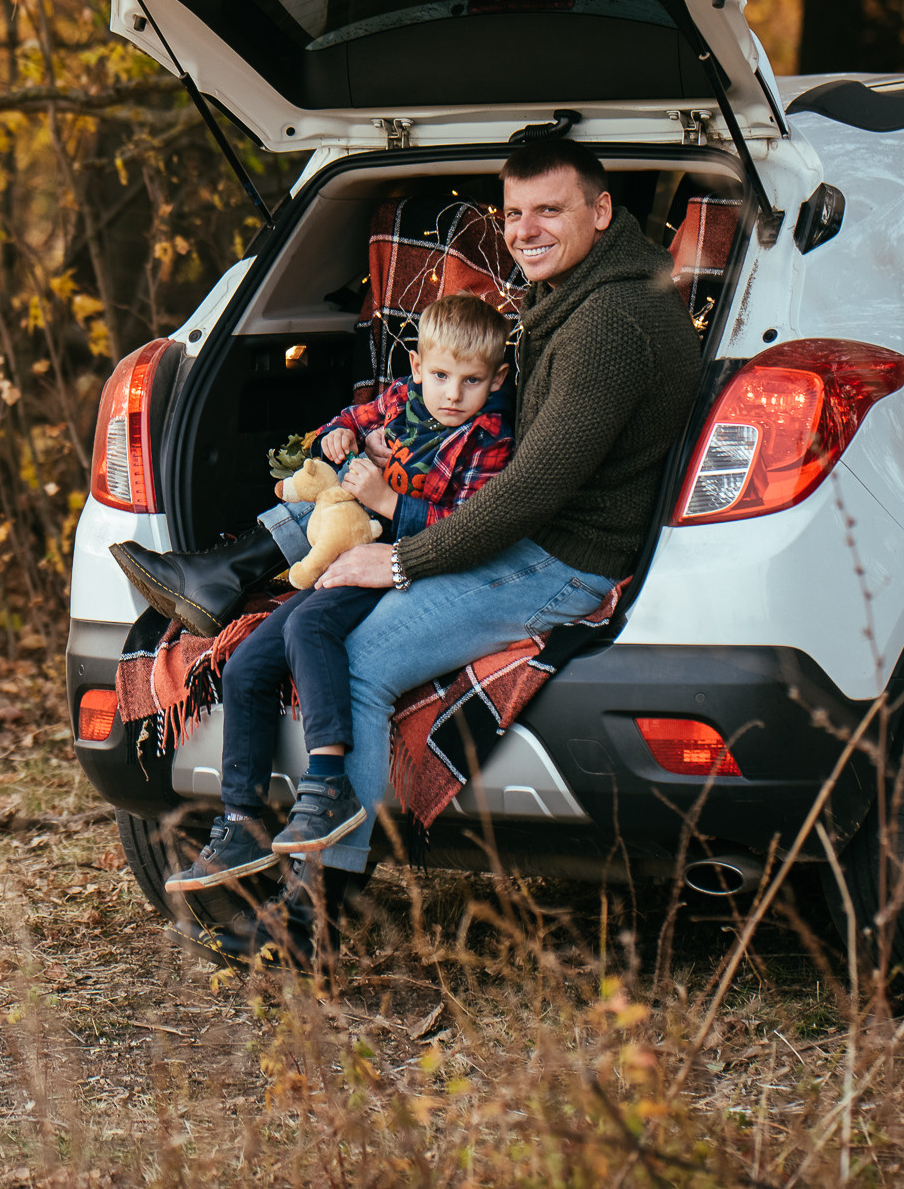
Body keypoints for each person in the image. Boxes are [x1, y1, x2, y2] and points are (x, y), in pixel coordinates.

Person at [137, 136, 704, 959]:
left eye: (550, 209)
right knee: (310, 633)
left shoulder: (611, 321)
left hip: (562, 558)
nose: (526, 230)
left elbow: (531, 490)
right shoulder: (585, 290)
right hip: (524, 533)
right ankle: (283, 855)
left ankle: (316, 920)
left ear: (602, 211)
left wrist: (402, 557)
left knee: (360, 664)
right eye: (513, 213)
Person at [118, 294, 515, 892]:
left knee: (310, 626)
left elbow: (467, 531)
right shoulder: (402, 403)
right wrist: (334, 438)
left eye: (471, 380)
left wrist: (389, 502)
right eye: (439, 376)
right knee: (247, 667)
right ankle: (240, 824)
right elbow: (348, 420)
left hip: (399, 568)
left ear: (498, 379)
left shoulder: (489, 442)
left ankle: (328, 783)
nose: (452, 394)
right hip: (340, 551)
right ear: (415, 369)